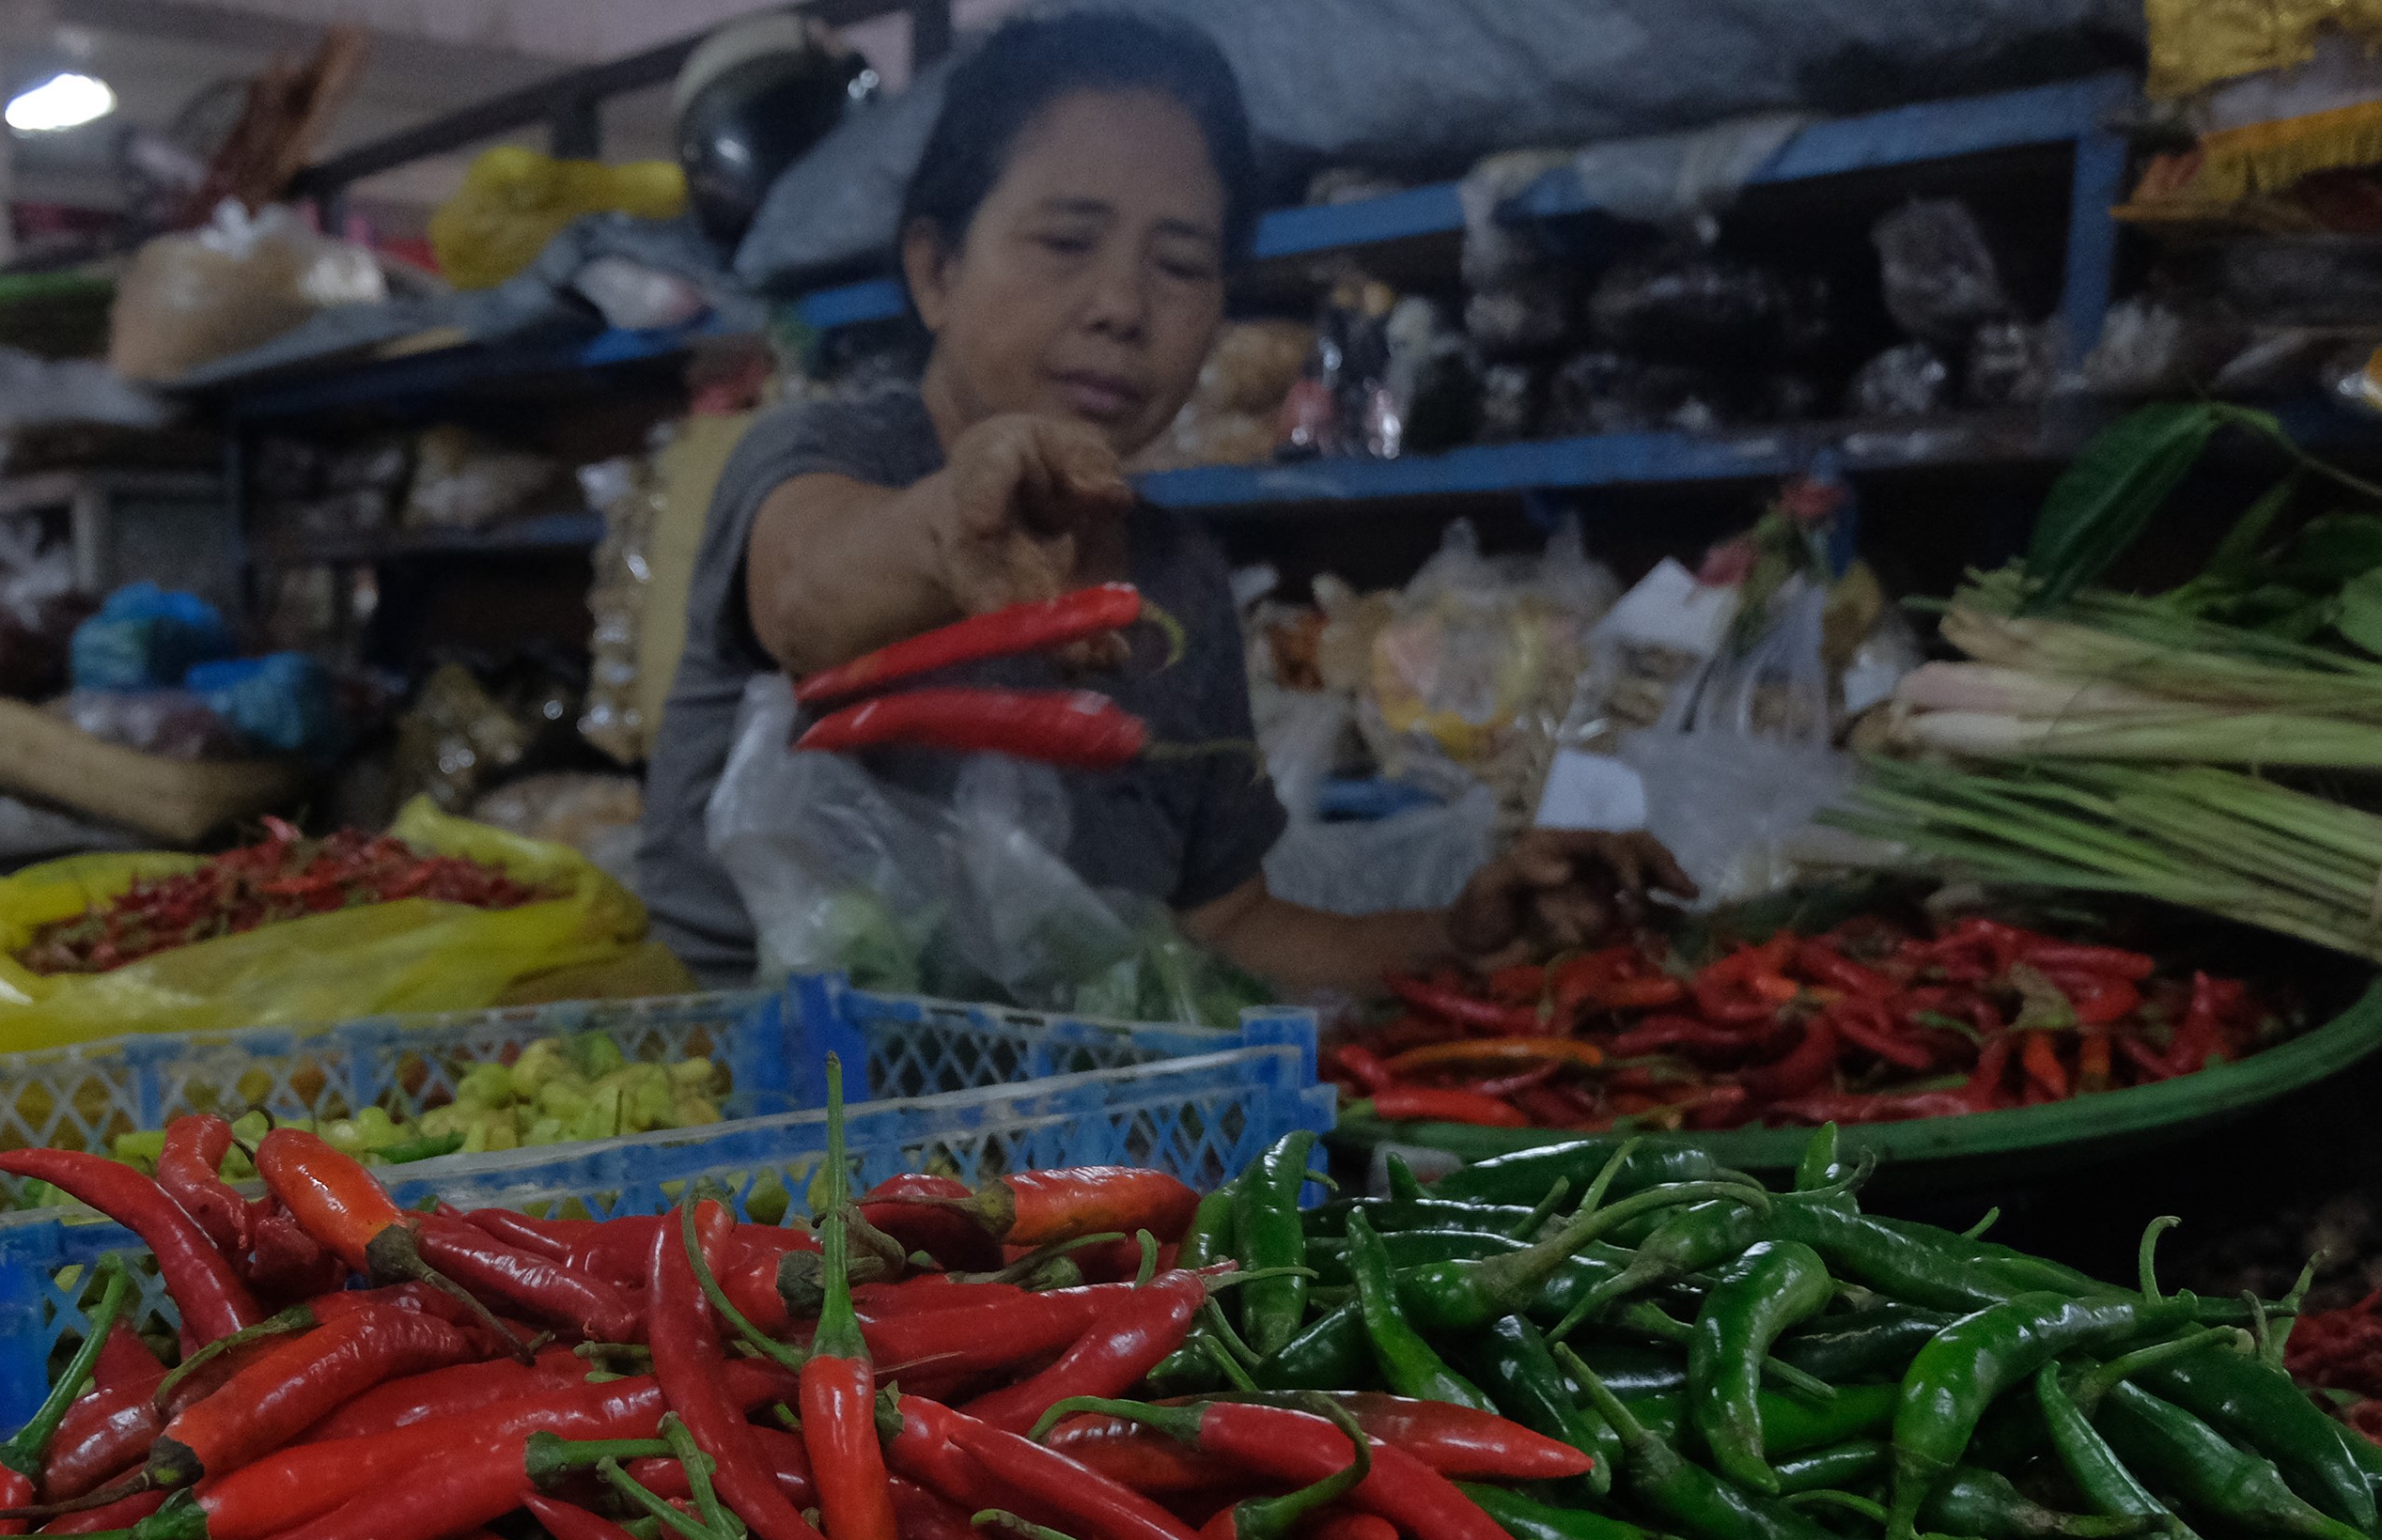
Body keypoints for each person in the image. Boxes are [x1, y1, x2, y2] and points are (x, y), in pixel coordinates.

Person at [633, 9, 1689, 996]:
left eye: (1180, 263)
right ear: (935, 268)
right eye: (1064, 242)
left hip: (1030, 1162)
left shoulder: (1173, 582)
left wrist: (1460, 938)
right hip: (734, 1115)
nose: (1122, 308)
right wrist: (950, 524)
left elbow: (1224, 929)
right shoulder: (821, 457)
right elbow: (807, 596)